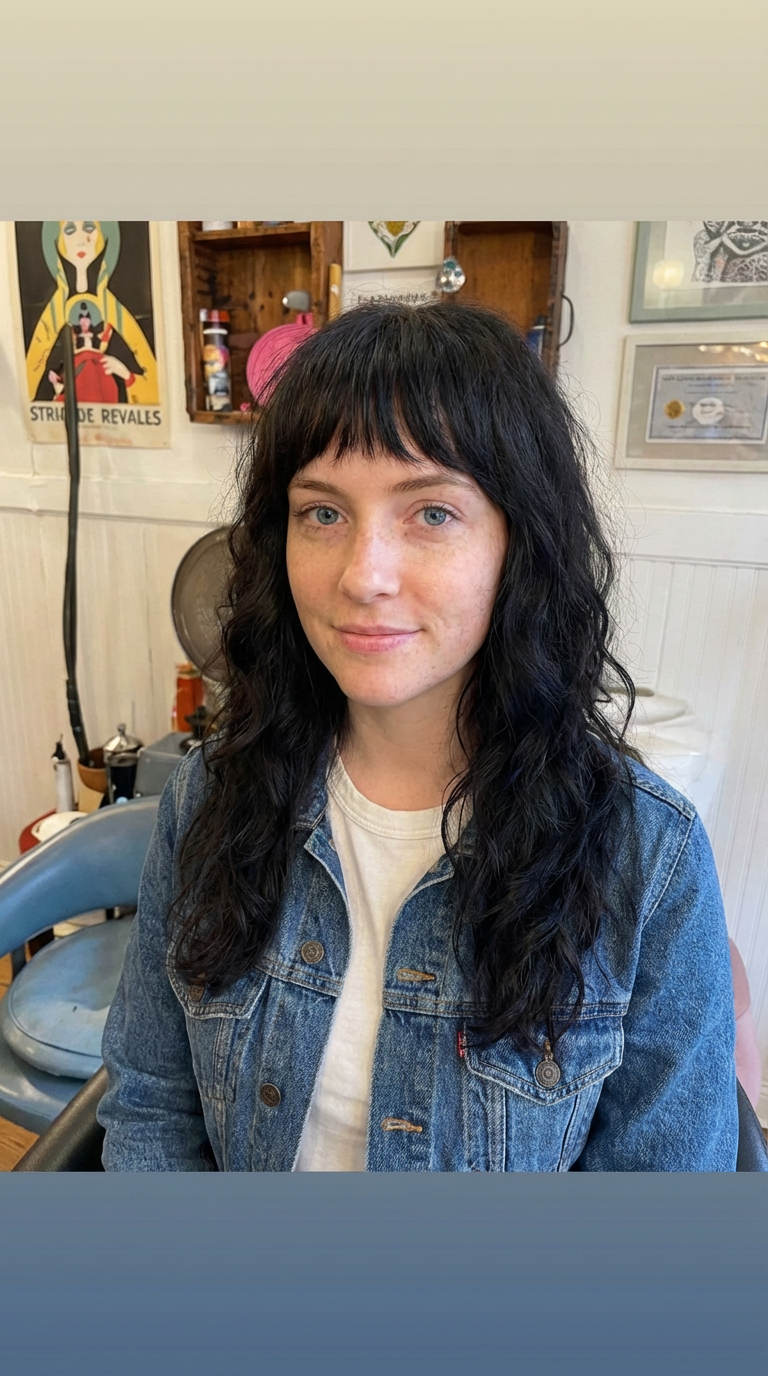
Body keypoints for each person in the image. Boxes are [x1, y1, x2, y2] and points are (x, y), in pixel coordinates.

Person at [99, 301, 739, 1171]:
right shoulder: (210, 796)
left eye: (431, 513)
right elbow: (149, 1106)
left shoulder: (649, 859)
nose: (364, 576)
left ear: (521, 541)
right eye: (322, 513)